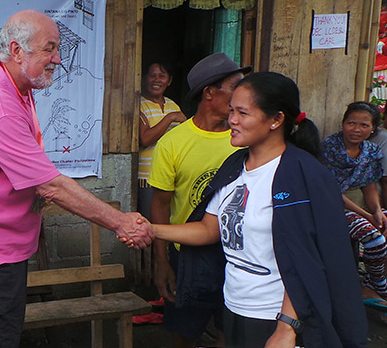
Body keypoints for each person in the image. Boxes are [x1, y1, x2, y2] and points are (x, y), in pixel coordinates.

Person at [0, 9, 153, 348]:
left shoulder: (9, 81)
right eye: (49, 48)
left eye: (58, 48)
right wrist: (121, 222)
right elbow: (49, 184)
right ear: (16, 50)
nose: (58, 58)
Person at [149, 72, 367, 347]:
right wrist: (152, 230)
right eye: (231, 111)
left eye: (243, 112)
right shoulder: (234, 167)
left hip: (276, 317)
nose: (232, 120)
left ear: (276, 120)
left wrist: (287, 327)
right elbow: (208, 228)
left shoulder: (303, 174)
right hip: (235, 306)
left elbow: (311, 257)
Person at [148, 52, 250, 347]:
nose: (243, 95)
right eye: (235, 88)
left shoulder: (244, 137)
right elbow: (161, 205)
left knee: (230, 332)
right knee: (185, 332)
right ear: (209, 92)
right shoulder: (173, 143)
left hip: (239, 253)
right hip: (189, 255)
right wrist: (162, 263)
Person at [321, 102, 387, 303]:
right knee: (375, 240)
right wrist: (367, 216)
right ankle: (380, 288)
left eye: (364, 125)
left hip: (360, 205)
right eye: (351, 123)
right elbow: (333, 192)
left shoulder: (370, 151)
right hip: (331, 207)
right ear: (343, 124)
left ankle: (369, 284)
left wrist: (377, 211)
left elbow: (369, 186)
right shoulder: (329, 148)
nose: (357, 129)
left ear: (373, 128)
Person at [138, 62, 186, 220]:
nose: (156, 80)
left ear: (169, 80)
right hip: (148, 178)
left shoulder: (173, 105)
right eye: (152, 75)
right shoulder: (139, 104)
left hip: (171, 175)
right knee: (149, 223)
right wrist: (170, 118)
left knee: (169, 221)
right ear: (144, 78)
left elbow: (185, 136)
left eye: (162, 76)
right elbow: (145, 139)